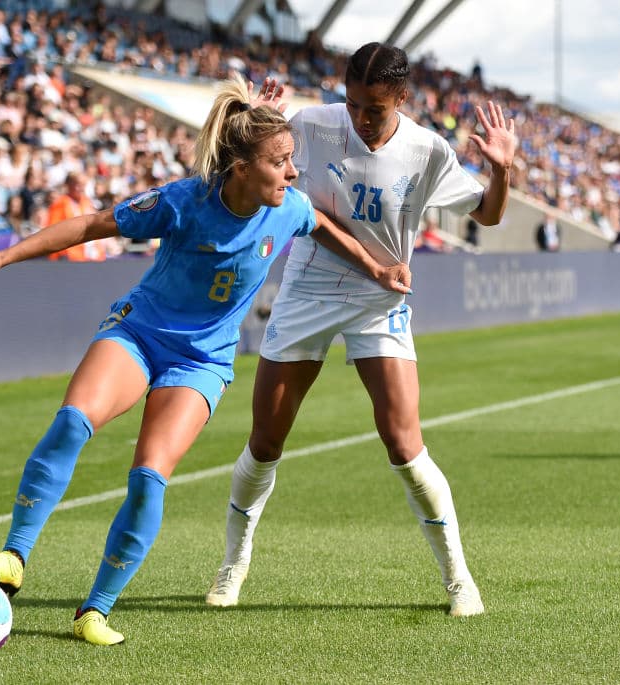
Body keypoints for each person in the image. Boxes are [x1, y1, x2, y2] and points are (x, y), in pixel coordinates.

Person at [0, 74, 411, 647]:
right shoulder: (182, 202)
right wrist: (3, 257)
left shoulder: (288, 207)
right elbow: (92, 224)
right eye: (281, 161)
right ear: (240, 167)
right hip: (140, 334)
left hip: (203, 362)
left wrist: (377, 268)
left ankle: (95, 610)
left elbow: (326, 228)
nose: (292, 172)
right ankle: (13, 557)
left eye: (292, 160)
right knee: (72, 420)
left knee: (148, 478)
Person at [205, 42, 517, 618]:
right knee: (266, 440)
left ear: (402, 97)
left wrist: (501, 169)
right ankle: (234, 560)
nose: (360, 117)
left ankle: (459, 579)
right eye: (352, 103)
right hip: (309, 288)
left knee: (404, 443)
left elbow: (491, 214)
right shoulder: (313, 125)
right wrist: (248, 121)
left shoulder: (428, 149)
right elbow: (257, 177)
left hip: (381, 297)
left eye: (374, 106)